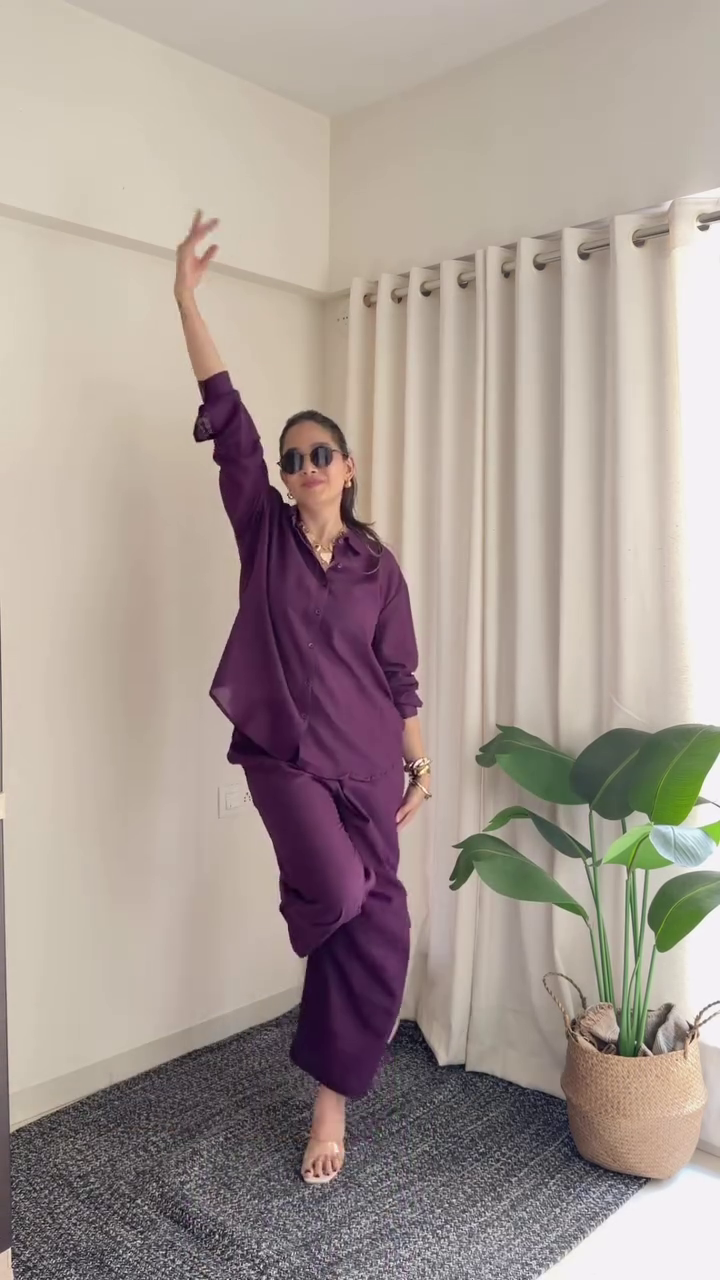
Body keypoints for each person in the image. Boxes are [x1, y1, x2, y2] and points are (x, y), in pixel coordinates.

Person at [175, 213, 431, 1185]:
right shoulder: (265, 533)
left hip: (368, 761)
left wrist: (419, 760)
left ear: (349, 468)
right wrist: (187, 301)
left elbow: (399, 673)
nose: (305, 465)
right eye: (293, 457)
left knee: (380, 930)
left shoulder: (378, 567)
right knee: (338, 894)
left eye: (321, 453)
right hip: (285, 757)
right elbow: (228, 421)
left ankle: (330, 1105)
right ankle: (324, 926)